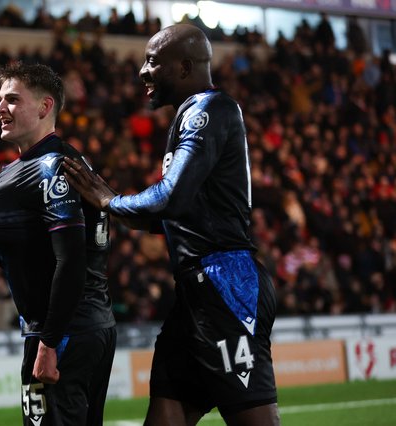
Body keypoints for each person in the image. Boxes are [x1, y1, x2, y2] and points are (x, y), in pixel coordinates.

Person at [63, 24, 280, 425]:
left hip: (224, 285)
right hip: (195, 293)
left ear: (183, 67)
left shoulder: (208, 110)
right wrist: (114, 206)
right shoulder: (194, 114)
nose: (143, 71)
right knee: (167, 408)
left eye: (152, 61)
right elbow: (174, 213)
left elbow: (170, 198)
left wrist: (111, 201)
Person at [0, 62, 116, 426]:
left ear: (44, 107)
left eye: (12, 100)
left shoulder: (51, 168)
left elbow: (71, 260)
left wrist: (50, 342)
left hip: (63, 332)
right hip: (86, 327)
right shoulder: (59, 163)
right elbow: (31, 258)